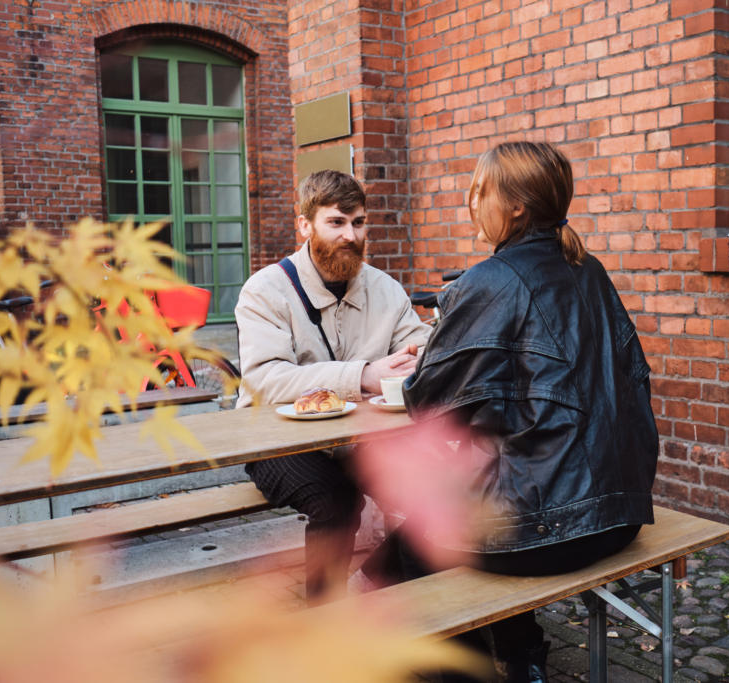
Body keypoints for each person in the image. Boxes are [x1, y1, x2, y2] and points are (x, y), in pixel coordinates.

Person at [400, 142, 660, 683]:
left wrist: (442, 332)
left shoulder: (489, 280)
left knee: (408, 548)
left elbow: (424, 403)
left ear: (515, 206)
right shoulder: (589, 270)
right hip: (619, 515)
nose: (471, 202)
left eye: (480, 190)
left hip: (553, 528)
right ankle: (523, 657)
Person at [234, 170, 431, 606]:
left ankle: (370, 584)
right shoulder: (264, 291)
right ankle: (322, 621)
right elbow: (266, 379)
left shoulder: (385, 288)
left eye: (358, 222)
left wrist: (423, 352)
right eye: (336, 223)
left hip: (357, 438)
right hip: (275, 440)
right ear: (304, 224)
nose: (350, 235)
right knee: (338, 501)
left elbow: (416, 342)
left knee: (434, 497)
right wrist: (362, 375)